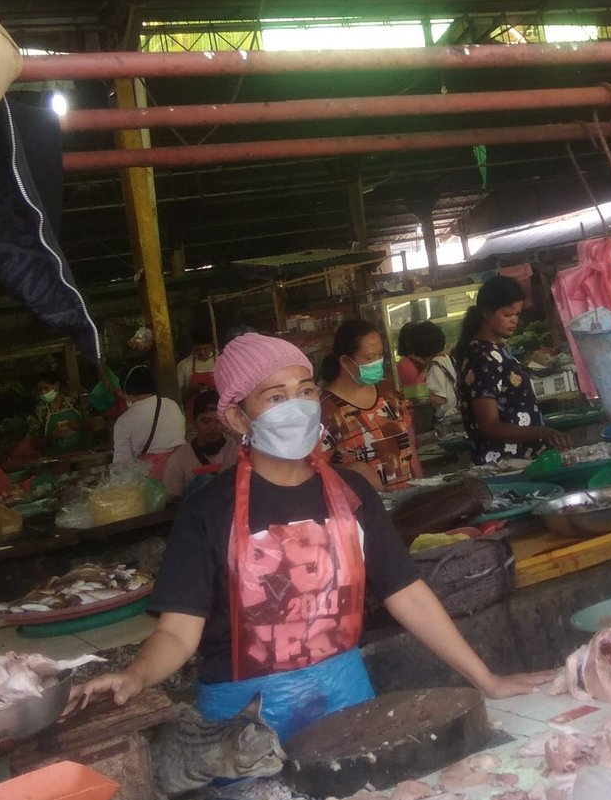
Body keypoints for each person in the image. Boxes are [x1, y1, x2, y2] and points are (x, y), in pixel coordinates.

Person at [66, 335, 548, 738]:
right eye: (274, 397)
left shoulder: (352, 492)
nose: (295, 407)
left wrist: (488, 679)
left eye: (305, 391)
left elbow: (408, 594)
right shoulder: (207, 513)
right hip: (245, 730)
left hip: (350, 705)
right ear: (237, 418)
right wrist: (135, 675)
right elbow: (177, 631)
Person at [453, 277, 569, 465]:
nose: (514, 321)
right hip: (503, 464)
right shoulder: (482, 358)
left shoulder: (497, 350)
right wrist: (541, 432)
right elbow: (489, 426)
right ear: (486, 312)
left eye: (517, 314)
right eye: (507, 315)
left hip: (524, 460)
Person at [320, 319, 420, 491]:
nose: (377, 362)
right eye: (369, 357)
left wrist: (422, 485)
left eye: (380, 355)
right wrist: (348, 470)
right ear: (345, 362)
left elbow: (408, 445)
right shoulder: (325, 409)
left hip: (410, 501)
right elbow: (317, 469)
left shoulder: (387, 390)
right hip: (366, 510)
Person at [111, 365, 186, 477]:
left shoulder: (124, 421)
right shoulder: (171, 404)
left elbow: (122, 464)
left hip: (152, 479)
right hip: (182, 469)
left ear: (126, 392)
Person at [162, 391, 233, 498]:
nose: (213, 428)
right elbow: (172, 499)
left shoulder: (237, 449)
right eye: (206, 421)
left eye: (219, 421)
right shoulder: (179, 460)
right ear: (193, 421)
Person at [401, 321, 460, 439]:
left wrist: (421, 395)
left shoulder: (435, 367)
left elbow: (441, 399)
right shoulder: (447, 358)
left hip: (448, 421)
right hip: (457, 415)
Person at [32, 370, 88, 457]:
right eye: (40, 390)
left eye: (46, 388)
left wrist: (78, 425)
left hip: (83, 454)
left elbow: (93, 424)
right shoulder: (40, 412)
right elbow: (35, 445)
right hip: (57, 461)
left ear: (56, 386)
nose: (43, 392)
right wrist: (52, 436)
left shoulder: (75, 400)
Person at [176, 327, 219, 410]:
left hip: (219, 413)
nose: (202, 352)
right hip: (193, 414)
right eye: (198, 349)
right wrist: (190, 391)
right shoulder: (184, 365)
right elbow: (177, 397)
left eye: (205, 348)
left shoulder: (222, 360)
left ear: (212, 345)